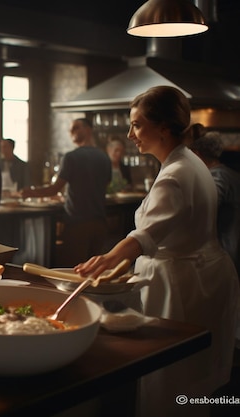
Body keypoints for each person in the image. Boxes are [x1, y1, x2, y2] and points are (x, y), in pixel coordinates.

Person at [75, 86, 239, 417]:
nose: (130, 134)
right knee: (195, 379)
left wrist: (106, 260)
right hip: (206, 274)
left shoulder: (175, 174)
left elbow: (144, 237)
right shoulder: (190, 162)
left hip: (182, 284)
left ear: (163, 127)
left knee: (169, 384)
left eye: (136, 124)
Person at [21, 117, 111, 266]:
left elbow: (54, 189)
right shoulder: (104, 157)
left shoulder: (71, 157)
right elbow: (104, 185)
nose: (71, 131)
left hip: (77, 224)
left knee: (73, 271)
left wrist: (30, 192)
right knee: (93, 272)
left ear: (88, 130)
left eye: (76, 127)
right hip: (100, 224)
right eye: (70, 129)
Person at [190, 130, 240, 272]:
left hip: (226, 252)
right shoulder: (230, 174)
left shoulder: (216, 177)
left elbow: (206, 207)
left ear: (196, 154)